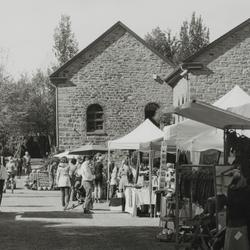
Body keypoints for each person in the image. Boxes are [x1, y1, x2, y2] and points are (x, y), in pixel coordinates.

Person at [224, 171, 250, 250]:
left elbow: (228, 210)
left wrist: (226, 224)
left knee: (232, 245)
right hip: (241, 226)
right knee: (241, 245)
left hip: (231, 227)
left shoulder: (230, 191)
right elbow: (247, 210)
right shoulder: (246, 191)